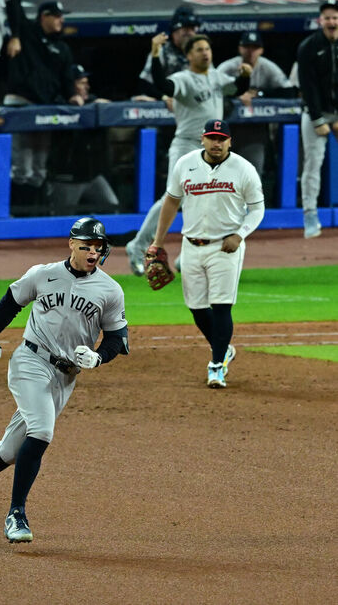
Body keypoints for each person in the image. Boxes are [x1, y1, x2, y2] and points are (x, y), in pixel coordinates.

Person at [0, 216, 129, 543]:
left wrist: (99, 356)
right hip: (30, 361)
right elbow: (10, 303)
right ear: (71, 244)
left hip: (65, 377)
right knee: (42, 430)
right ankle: (16, 514)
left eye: (98, 247)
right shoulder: (42, 274)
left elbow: (118, 337)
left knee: (10, 450)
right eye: (86, 246)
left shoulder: (110, 290)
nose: (93, 252)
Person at [146, 118, 264, 388]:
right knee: (197, 308)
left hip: (226, 247)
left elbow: (257, 209)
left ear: (230, 141)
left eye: (222, 138)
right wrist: (158, 242)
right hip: (191, 245)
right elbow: (172, 201)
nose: (217, 143)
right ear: (203, 139)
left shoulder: (244, 169)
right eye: (212, 137)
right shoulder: (185, 163)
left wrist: (239, 234)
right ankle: (224, 349)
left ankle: (216, 365)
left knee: (222, 305)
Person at [125, 32, 252, 276]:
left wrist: (245, 76)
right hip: (186, 146)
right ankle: (138, 245)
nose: (205, 53)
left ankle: (189, 258)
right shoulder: (183, 78)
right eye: (198, 49)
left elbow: (237, 89)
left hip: (213, 150)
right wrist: (155, 54)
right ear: (188, 56)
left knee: (215, 200)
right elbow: (163, 85)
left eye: (207, 48)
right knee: (174, 198)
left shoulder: (216, 77)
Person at [4, 0, 84, 204]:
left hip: (46, 108)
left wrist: (72, 95)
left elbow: (66, 76)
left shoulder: (62, 47)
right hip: (22, 104)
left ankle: (33, 212)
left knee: (39, 168)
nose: (61, 20)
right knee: (22, 166)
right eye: (56, 16)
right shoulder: (28, 34)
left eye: (61, 16)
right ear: (43, 17)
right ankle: (14, 212)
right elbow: (13, 6)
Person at [217, 30, 297, 175]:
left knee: (253, 174)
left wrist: (260, 94)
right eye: (247, 47)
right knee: (220, 175)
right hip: (225, 128)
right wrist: (237, 95)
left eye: (255, 47)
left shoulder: (267, 67)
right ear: (240, 48)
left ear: (261, 50)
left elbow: (289, 91)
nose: (250, 51)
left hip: (254, 129)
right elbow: (212, 89)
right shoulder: (227, 67)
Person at [49, 64, 119, 214]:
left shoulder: (92, 102)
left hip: (92, 177)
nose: (87, 86)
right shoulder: (58, 104)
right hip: (68, 178)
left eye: (87, 82)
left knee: (112, 206)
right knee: (62, 221)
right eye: (81, 82)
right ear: (70, 85)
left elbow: (111, 107)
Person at [297, 0, 338, 238]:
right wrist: (318, 119)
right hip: (315, 111)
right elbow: (307, 85)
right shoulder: (309, 46)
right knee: (313, 164)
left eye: (335, 17)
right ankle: (310, 215)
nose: (332, 22)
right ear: (320, 20)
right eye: (328, 17)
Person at [137, 5, 200, 103]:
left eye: (193, 29)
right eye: (186, 30)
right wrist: (164, 97)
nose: (190, 33)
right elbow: (145, 83)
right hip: (168, 103)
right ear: (175, 31)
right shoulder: (162, 51)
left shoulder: (200, 52)